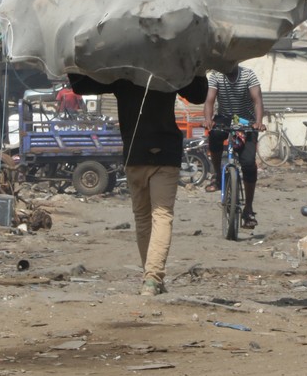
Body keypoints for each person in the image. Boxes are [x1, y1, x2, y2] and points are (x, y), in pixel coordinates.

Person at [69, 73, 208, 296]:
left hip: (135, 154)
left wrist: (72, 63)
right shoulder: (169, 69)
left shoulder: (125, 73)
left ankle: (151, 279)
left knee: (143, 218)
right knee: (162, 214)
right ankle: (152, 279)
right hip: (165, 153)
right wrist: (198, 67)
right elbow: (198, 94)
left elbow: (81, 85)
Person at [203, 64, 265, 229]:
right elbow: (209, 100)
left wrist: (258, 122)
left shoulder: (248, 74)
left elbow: (257, 100)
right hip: (224, 118)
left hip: (246, 121)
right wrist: (208, 119)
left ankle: (249, 209)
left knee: (248, 163)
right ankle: (216, 175)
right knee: (214, 135)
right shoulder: (216, 75)